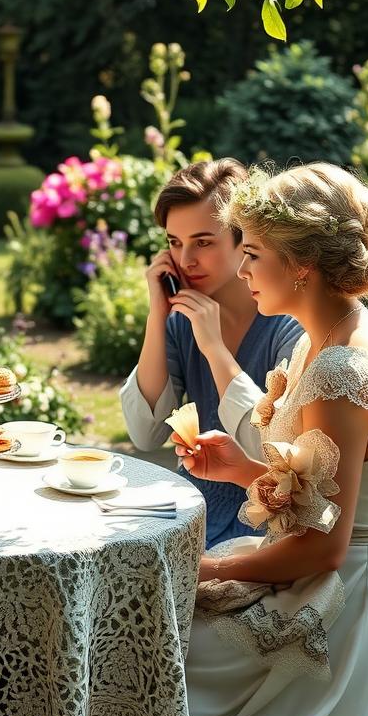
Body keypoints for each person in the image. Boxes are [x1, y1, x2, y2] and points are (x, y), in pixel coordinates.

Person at [171, 163, 368, 716]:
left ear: (301, 267)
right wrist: (241, 468)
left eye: (254, 254)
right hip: (355, 579)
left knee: (165, 668)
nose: (242, 271)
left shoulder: (342, 370)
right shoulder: (346, 338)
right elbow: (337, 492)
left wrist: (198, 568)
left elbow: (326, 547)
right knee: (164, 643)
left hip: (352, 615)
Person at [120, 159, 303, 545]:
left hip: (269, 520)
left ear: (245, 240)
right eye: (174, 242)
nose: (186, 261)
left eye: (203, 242)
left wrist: (213, 346)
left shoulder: (290, 327)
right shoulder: (180, 322)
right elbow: (145, 433)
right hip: (188, 509)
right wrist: (158, 314)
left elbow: (272, 450)